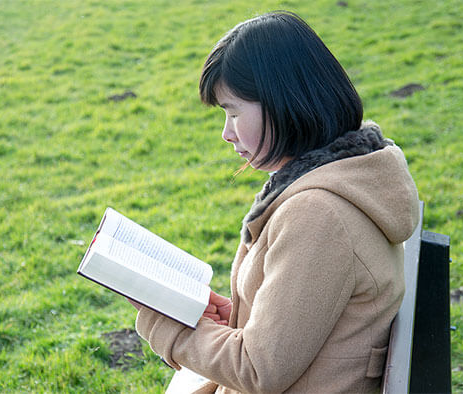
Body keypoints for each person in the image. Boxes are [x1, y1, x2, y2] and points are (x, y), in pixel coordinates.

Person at [130, 11, 420, 393]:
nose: (226, 133)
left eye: (234, 112)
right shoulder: (343, 179)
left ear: (285, 103)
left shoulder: (318, 215)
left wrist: (169, 326)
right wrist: (240, 315)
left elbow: (257, 370)